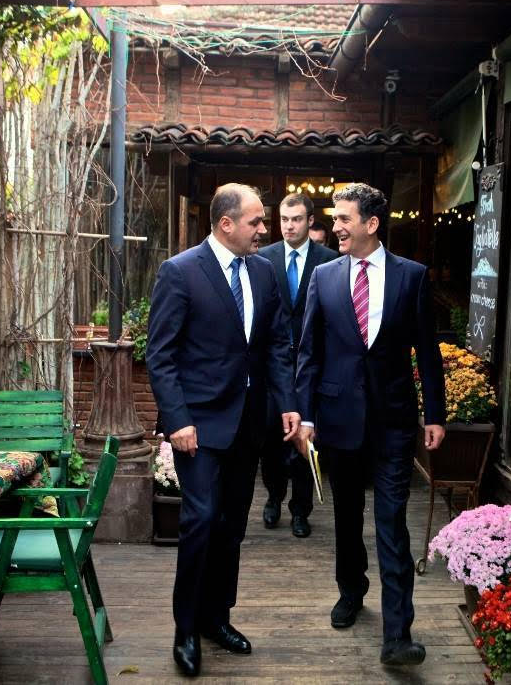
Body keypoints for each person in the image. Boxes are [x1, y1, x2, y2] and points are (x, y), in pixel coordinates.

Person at [146, 183, 300, 678]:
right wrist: (178, 420)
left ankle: (216, 618)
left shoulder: (263, 271)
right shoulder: (180, 271)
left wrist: (287, 403)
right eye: (256, 221)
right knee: (200, 520)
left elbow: (276, 344)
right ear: (226, 223)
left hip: (249, 423)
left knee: (232, 526)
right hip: (198, 426)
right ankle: (185, 629)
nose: (264, 230)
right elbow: (160, 355)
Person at [295, 183, 446, 667]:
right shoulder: (323, 276)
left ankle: (398, 634)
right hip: (337, 418)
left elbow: (427, 352)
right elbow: (309, 352)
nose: (335, 226)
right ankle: (351, 590)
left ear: (371, 223)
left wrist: (435, 415)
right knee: (346, 517)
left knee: (392, 522)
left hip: (393, 422)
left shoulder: (411, 276)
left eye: (344, 218)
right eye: (335, 218)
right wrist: (306, 416)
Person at [257, 192, 338, 537]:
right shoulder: (263, 259)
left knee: (306, 437)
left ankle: (301, 510)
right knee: (272, 439)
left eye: (296, 220)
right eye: (284, 220)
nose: (289, 226)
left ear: (310, 221)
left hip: (312, 366)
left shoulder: (330, 261)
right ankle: (274, 497)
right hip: (273, 367)